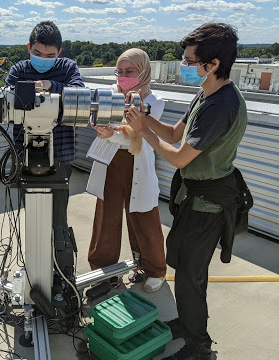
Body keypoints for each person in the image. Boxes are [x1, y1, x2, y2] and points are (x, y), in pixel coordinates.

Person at [126, 23, 251, 360]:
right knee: (185, 270)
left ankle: (199, 347)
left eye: (190, 61)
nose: (185, 66)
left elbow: (180, 157)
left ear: (211, 64)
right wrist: (144, 116)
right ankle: (190, 322)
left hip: (209, 203)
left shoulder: (221, 105)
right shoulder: (207, 92)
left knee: (190, 276)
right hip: (195, 197)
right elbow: (173, 131)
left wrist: (143, 133)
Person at [87, 48, 167, 293]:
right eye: (119, 71)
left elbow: (138, 134)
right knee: (106, 218)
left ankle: (153, 268)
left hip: (137, 164)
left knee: (144, 218)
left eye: (129, 71)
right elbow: (104, 122)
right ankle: (103, 270)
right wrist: (106, 130)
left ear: (143, 71)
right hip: (110, 163)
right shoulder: (109, 94)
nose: (123, 76)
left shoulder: (153, 102)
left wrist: (111, 133)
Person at [5, 20, 84, 229]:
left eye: (50, 56)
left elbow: (78, 93)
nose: (43, 60)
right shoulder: (18, 70)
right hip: (25, 154)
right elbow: (5, 101)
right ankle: (34, 260)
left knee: (58, 218)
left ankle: (60, 258)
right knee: (34, 219)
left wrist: (52, 86)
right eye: (38, 53)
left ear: (59, 51)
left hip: (61, 154)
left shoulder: (68, 67)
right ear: (29, 48)